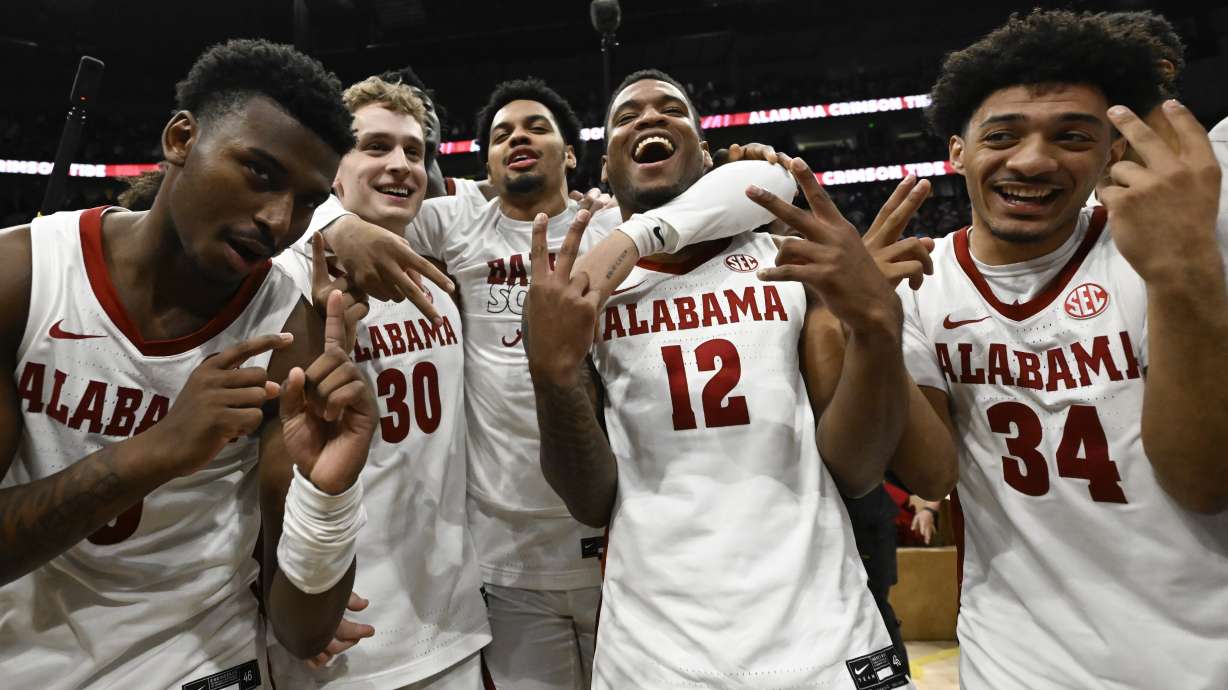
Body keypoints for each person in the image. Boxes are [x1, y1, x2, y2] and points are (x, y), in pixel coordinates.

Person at [312, 76, 802, 688]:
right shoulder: (453, 219)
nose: (518, 136)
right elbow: (330, 197)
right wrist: (339, 225)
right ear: (485, 166)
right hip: (503, 556)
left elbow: (762, 190)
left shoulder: (612, 223)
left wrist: (756, 163)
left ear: (572, 155)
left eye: (537, 127)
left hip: (615, 541)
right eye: (501, 134)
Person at [524, 69, 947, 689]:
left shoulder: (791, 260)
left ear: (707, 154)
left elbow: (856, 469)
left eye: (673, 108)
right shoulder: (584, 297)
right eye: (626, 116)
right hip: (655, 653)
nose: (649, 117)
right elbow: (589, 500)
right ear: (607, 175)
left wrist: (873, 326)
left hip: (824, 636)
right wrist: (553, 378)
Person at [0, 39, 375, 688]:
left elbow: (302, 630)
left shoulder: (289, 328)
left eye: (310, 202)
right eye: (260, 173)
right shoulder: (22, 276)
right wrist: (162, 449)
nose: (277, 220)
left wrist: (329, 499)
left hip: (205, 667)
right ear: (180, 138)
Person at [897, 10, 1228, 688]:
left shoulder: (1175, 240)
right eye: (1004, 135)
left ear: (1111, 150)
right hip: (1015, 661)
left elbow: (1204, 482)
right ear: (957, 152)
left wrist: (1183, 270)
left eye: (1073, 136)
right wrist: (865, 328)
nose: (1034, 159)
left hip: (1200, 656)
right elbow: (928, 476)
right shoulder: (920, 285)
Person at [265, 75, 491, 688]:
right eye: (375, 146)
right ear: (333, 166)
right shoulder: (279, 273)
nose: (400, 165)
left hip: (451, 623)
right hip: (337, 627)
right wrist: (281, 582)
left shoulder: (439, 279)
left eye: (414, 152)